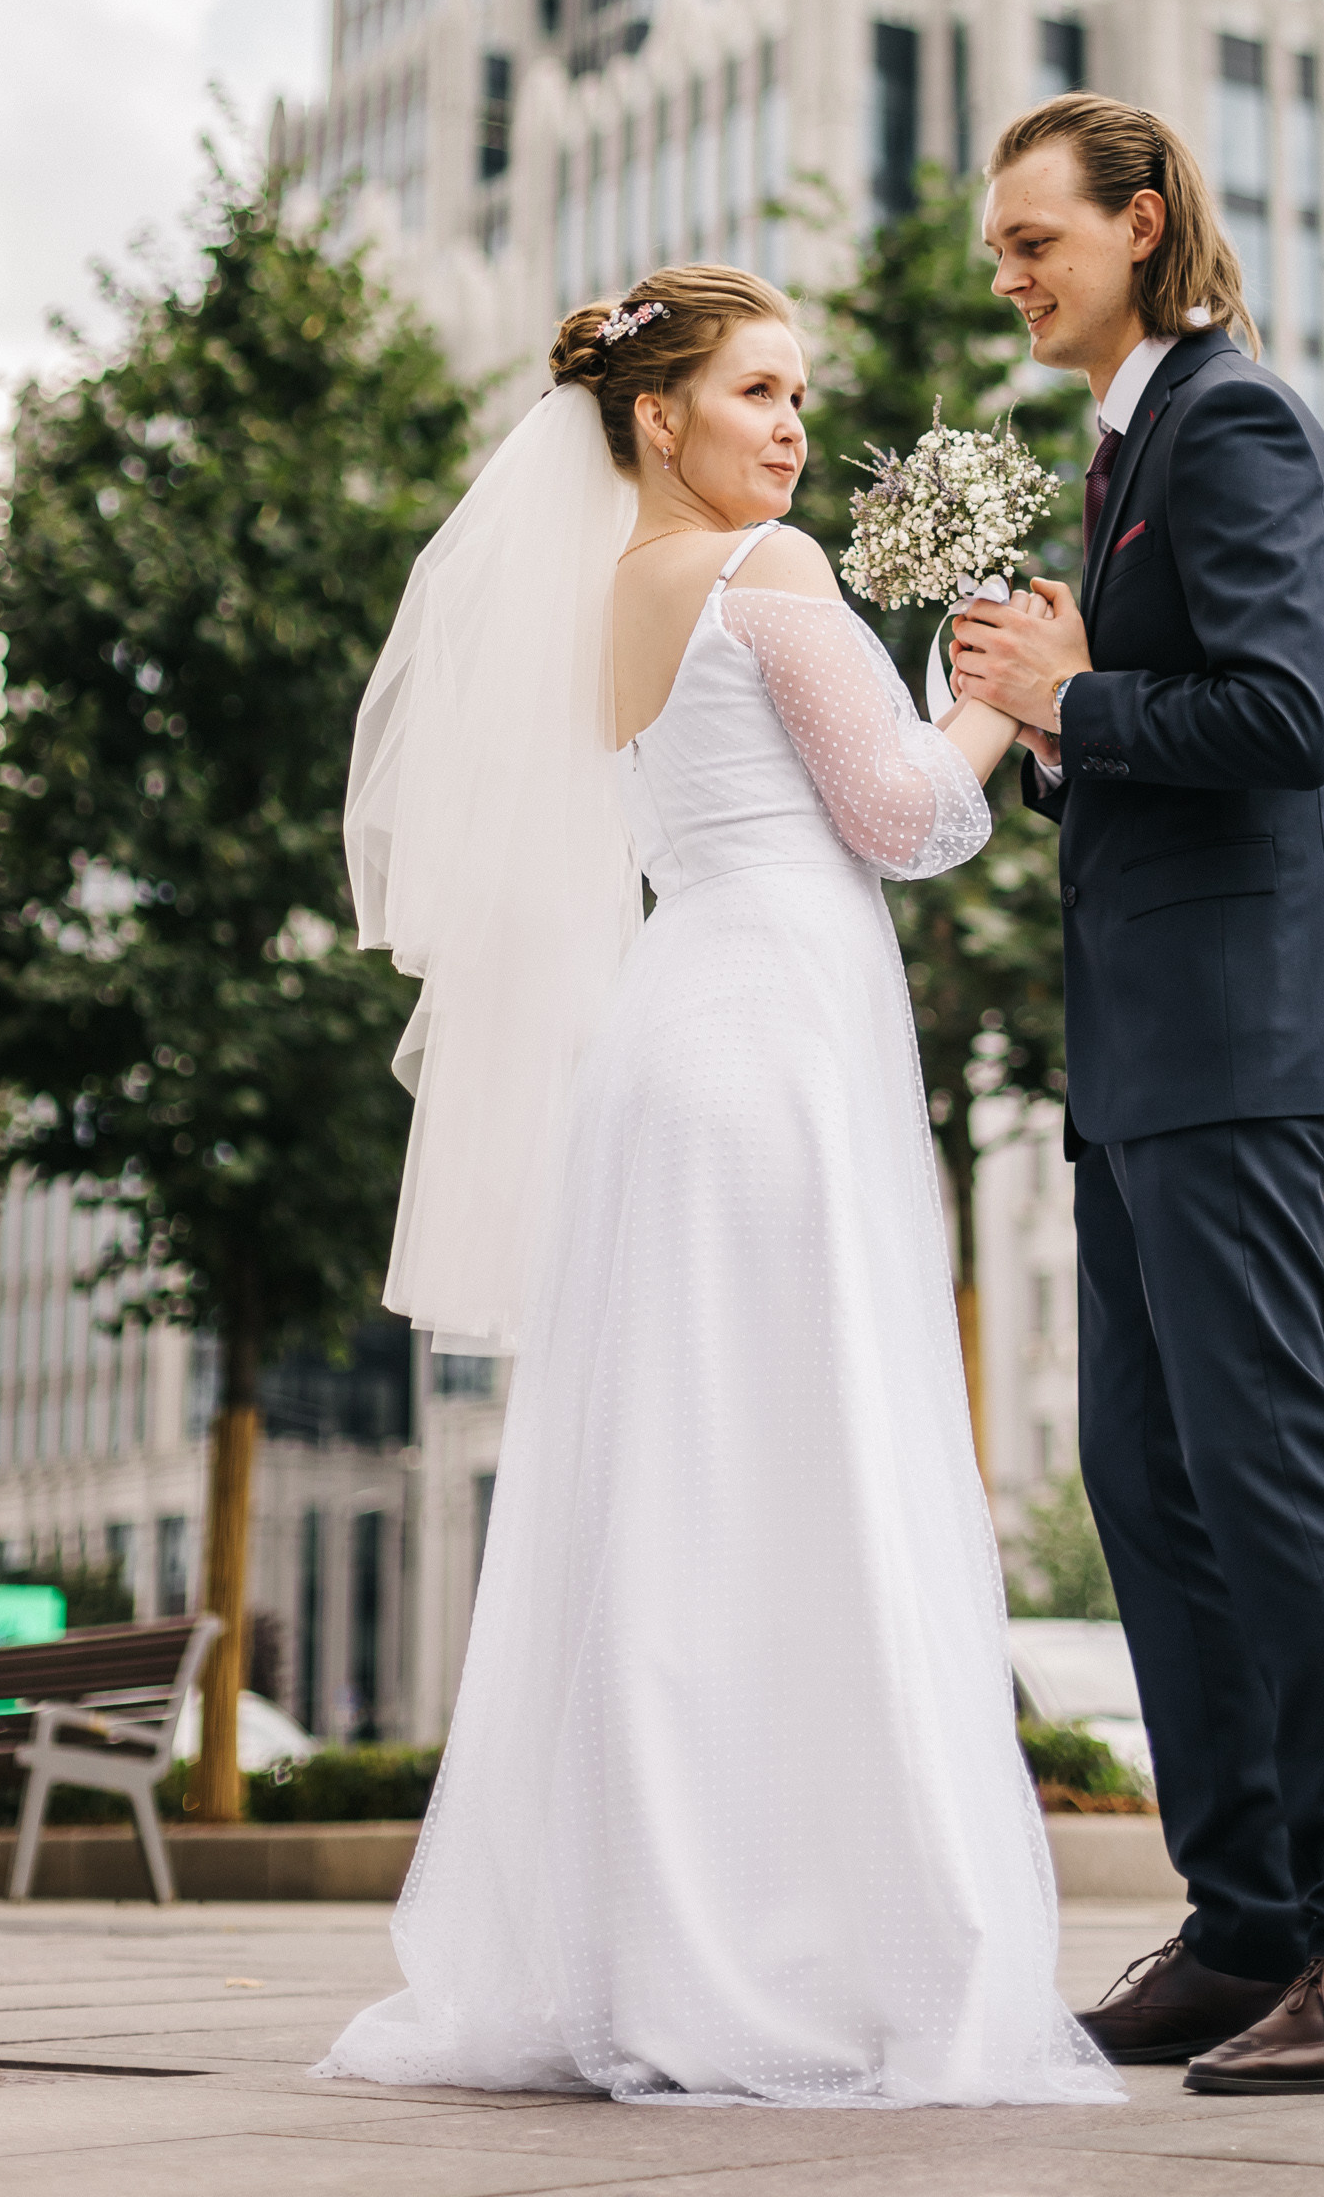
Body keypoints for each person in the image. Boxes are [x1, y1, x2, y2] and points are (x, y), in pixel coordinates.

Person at [318, 268, 1118, 2112]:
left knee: (674, 1499)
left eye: (798, 394)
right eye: (755, 391)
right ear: (653, 417)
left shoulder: (608, 600)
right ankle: (796, 1948)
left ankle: (646, 1938)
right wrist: (1002, 686)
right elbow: (907, 818)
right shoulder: (768, 576)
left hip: (672, 1049)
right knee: (802, 1474)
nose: (791, 426)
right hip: (769, 1052)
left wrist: (933, 696)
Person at [949, 97, 1324, 2099]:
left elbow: (1286, 713)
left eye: (1031, 235)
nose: (1007, 269)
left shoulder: (1229, 423)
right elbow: (1172, 735)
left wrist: (1061, 698)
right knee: (1147, 1489)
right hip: (1139, 1052)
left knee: (1261, 1469)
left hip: (1233, 1037)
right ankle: (1246, 1921)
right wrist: (1068, 718)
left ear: (1140, 223)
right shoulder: (1125, 449)